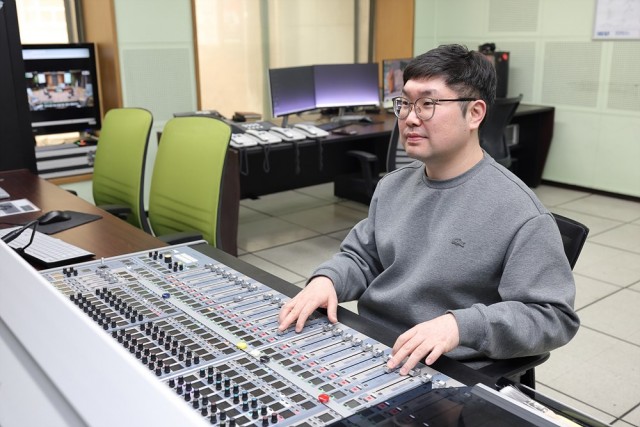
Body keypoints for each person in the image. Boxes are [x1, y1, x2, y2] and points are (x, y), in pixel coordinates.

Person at [277, 44, 579, 375]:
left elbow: (553, 317)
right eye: (405, 103)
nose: (409, 117)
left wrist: (459, 326)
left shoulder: (521, 214)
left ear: (475, 113)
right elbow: (363, 258)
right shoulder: (393, 185)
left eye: (427, 104)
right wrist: (327, 280)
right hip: (375, 344)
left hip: (446, 367)